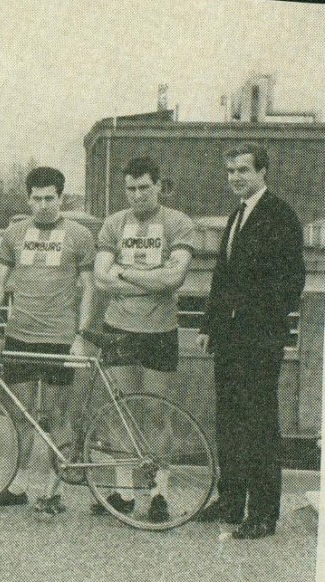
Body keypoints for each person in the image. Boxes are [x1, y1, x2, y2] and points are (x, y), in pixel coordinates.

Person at [196, 143, 305, 539]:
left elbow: (292, 281)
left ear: (262, 172)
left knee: (259, 426)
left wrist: (257, 323)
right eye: (230, 171)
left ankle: (262, 513)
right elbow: (222, 276)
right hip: (229, 339)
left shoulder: (279, 215)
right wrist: (209, 325)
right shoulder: (237, 214)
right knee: (229, 421)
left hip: (258, 341)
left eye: (243, 170)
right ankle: (230, 501)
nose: (235, 177)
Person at [0, 166, 95, 515]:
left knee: (58, 415)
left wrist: (81, 335)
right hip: (20, 334)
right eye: (37, 198)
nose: (43, 205)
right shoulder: (15, 234)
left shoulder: (79, 235)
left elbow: (89, 289)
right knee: (20, 413)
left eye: (50, 198)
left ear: (61, 198)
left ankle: (53, 491)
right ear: (28, 199)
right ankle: (16, 486)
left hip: (60, 337)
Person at [93, 156, 196, 522]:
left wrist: (123, 272)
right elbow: (100, 279)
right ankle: (123, 493)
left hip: (159, 331)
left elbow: (173, 279)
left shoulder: (177, 223)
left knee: (156, 412)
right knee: (122, 410)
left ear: (159, 186)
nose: (137, 195)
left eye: (144, 188)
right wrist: (151, 278)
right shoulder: (113, 223)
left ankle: (158, 494)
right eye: (130, 189)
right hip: (118, 328)